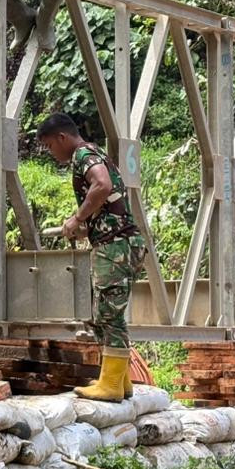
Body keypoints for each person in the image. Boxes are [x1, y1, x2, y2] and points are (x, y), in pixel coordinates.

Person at [36, 112, 145, 402]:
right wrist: (87, 228)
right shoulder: (92, 152)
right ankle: (120, 382)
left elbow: (102, 185)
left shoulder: (84, 154)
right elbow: (110, 202)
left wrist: (77, 218)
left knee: (109, 314)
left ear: (62, 137)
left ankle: (110, 385)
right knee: (103, 316)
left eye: (49, 145)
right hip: (113, 241)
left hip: (116, 246)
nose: (50, 152)